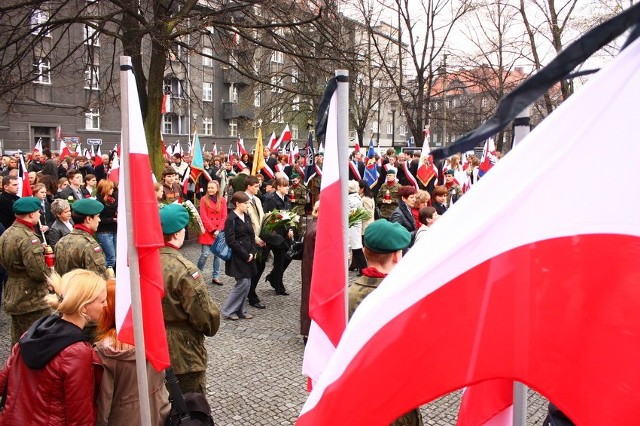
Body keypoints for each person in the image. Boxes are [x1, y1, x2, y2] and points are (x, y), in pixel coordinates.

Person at [0, 269, 106, 425]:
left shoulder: (33, 333)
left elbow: (5, 380)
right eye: (102, 301)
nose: (106, 305)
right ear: (83, 307)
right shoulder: (77, 352)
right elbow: (80, 416)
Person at [347, 219, 423, 425]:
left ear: (364, 251)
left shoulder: (348, 296)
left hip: (358, 394)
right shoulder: (406, 298)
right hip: (396, 398)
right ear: (398, 256)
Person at [159, 203, 220, 394]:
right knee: (190, 407)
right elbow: (206, 319)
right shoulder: (184, 269)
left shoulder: (141, 261)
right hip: (182, 353)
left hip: (150, 345)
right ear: (178, 233)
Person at [94, 280, 170, 426]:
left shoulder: (105, 353)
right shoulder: (154, 337)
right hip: (159, 412)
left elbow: (104, 403)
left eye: (103, 301)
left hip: (124, 419)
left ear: (109, 310)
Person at [0, 197, 51, 344]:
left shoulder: (7, 233)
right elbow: (38, 272)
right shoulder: (29, 238)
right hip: (31, 297)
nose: (40, 215)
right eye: (38, 212)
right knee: (37, 340)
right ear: (31, 214)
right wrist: (50, 278)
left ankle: (15, 366)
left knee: (18, 341)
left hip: (13, 291)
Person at [221, 191, 258, 320]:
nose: (248, 205)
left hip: (249, 254)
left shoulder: (246, 216)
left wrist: (253, 251)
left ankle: (241, 310)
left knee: (247, 283)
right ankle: (228, 310)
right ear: (237, 204)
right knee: (242, 283)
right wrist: (245, 254)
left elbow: (252, 235)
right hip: (238, 257)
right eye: (246, 203)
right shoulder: (231, 219)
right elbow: (231, 241)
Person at [55, 198, 108, 280]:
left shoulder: (61, 241)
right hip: (85, 291)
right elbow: (99, 280)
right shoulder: (89, 245)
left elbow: (58, 273)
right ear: (88, 219)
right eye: (97, 216)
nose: (99, 220)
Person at [262, 177, 295, 296]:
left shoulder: (286, 199)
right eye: (285, 186)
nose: (288, 188)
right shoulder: (271, 199)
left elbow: (289, 215)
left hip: (284, 234)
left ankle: (273, 278)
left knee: (287, 257)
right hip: (275, 235)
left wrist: (290, 228)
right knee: (280, 260)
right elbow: (269, 217)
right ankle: (278, 285)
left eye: (287, 186)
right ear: (279, 187)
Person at [243, 176, 267, 310]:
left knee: (261, 265)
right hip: (250, 240)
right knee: (253, 268)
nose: (258, 188)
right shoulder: (243, 200)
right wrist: (256, 239)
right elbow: (247, 223)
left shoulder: (257, 199)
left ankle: (250, 291)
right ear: (249, 186)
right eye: (256, 186)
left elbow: (261, 217)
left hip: (260, 239)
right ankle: (251, 295)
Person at [197, 180, 227, 285]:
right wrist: (213, 230)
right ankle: (197, 274)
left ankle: (216, 276)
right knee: (205, 254)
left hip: (218, 231)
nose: (210, 190)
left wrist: (218, 230)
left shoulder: (222, 200)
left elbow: (224, 217)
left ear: (217, 189)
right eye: (209, 188)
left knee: (217, 255)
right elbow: (203, 216)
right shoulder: (203, 199)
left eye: (212, 188)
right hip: (207, 231)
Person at [300, 201, 319, 342]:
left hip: (309, 267)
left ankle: (308, 331)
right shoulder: (318, 228)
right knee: (312, 299)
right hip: (314, 269)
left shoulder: (314, 224)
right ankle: (309, 332)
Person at [95, 179, 118, 274]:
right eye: (110, 188)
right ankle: (103, 274)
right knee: (111, 258)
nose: (113, 190)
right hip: (104, 232)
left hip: (114, 230)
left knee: (116, 256)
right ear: (105, 189)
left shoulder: (112, 199)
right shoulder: (98, 202)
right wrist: (112, 219)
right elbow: (98, 220)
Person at [348, 180, 367, 275]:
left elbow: (350, 214)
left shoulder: (351, 199)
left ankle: (363, 269)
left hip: (352, 226)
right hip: (354, 226)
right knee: (356, 248)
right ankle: (362, 269)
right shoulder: (356, 198)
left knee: (356, 249)